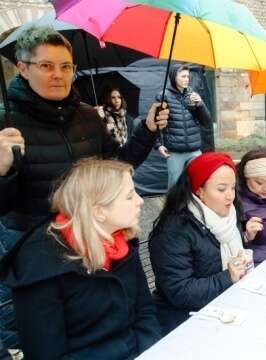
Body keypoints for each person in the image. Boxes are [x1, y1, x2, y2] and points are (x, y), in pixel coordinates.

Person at [0, 26, 168, 238]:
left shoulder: (87, 115)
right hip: (34, 249)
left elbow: (117, 166)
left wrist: (147, 129)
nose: (58, 75)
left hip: (89, 237)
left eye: (66, 66)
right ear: (23, 68)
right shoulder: (6, 124)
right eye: (46, 66)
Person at [0, 158, 161, 359]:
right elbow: (45, 354)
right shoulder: (42, 267)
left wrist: (149, 352)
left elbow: (145, 312)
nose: (141, 200)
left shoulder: (121, 242)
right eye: (129, 196)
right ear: (99, 211)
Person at [149, 152, 246, 335]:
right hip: (184, 319)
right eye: (221, 189)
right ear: (199, 190)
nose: (230, 196)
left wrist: (247, 238)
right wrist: (227, 277)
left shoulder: (228, 215)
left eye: (233, 188)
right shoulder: (173, 230)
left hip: (222, 304)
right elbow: (179, 291)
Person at [155, 63, 212, 189]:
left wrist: (200, 104)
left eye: (188, 76)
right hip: (175, 152)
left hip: (194, 150)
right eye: (183, 76)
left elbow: (206, 121)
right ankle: (173, 209)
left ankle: (192, 208)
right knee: (174, 186)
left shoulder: (192, 94)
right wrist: (159, 145)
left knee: (197, 184)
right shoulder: (163, 96)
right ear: (174, 77)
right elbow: (156, 123)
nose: (187, 79)